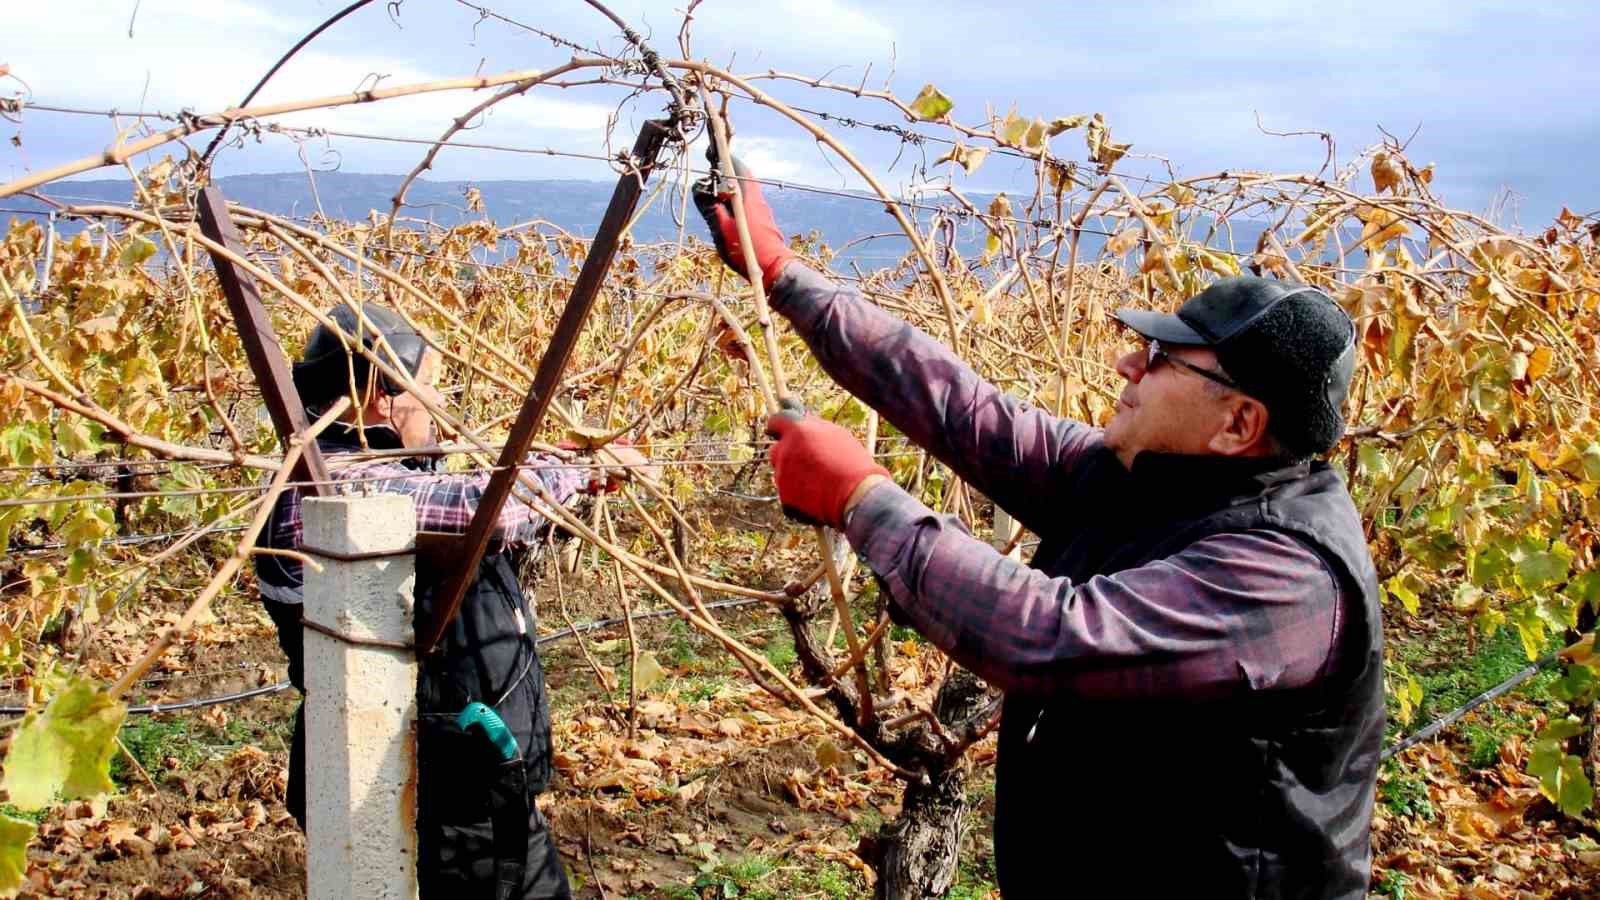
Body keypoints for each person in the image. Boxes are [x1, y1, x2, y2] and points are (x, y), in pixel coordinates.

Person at [694, 158, 1384, 898]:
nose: (1127, 363)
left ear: (1238, 423)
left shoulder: (1288, 576)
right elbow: (963, 410)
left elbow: (1052, 636)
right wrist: (785, 274)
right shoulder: (1151, 477)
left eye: (1159, 358)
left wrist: (863, 499)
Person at [257, 303, 607, 899]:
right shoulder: (335, 486)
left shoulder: (373, 469)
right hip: (423, 792)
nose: (442, 409)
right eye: (432, 389)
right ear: (379, 396)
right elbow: (485, 512)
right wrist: (577, 468)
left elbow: (463, 504)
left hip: (460, 777)